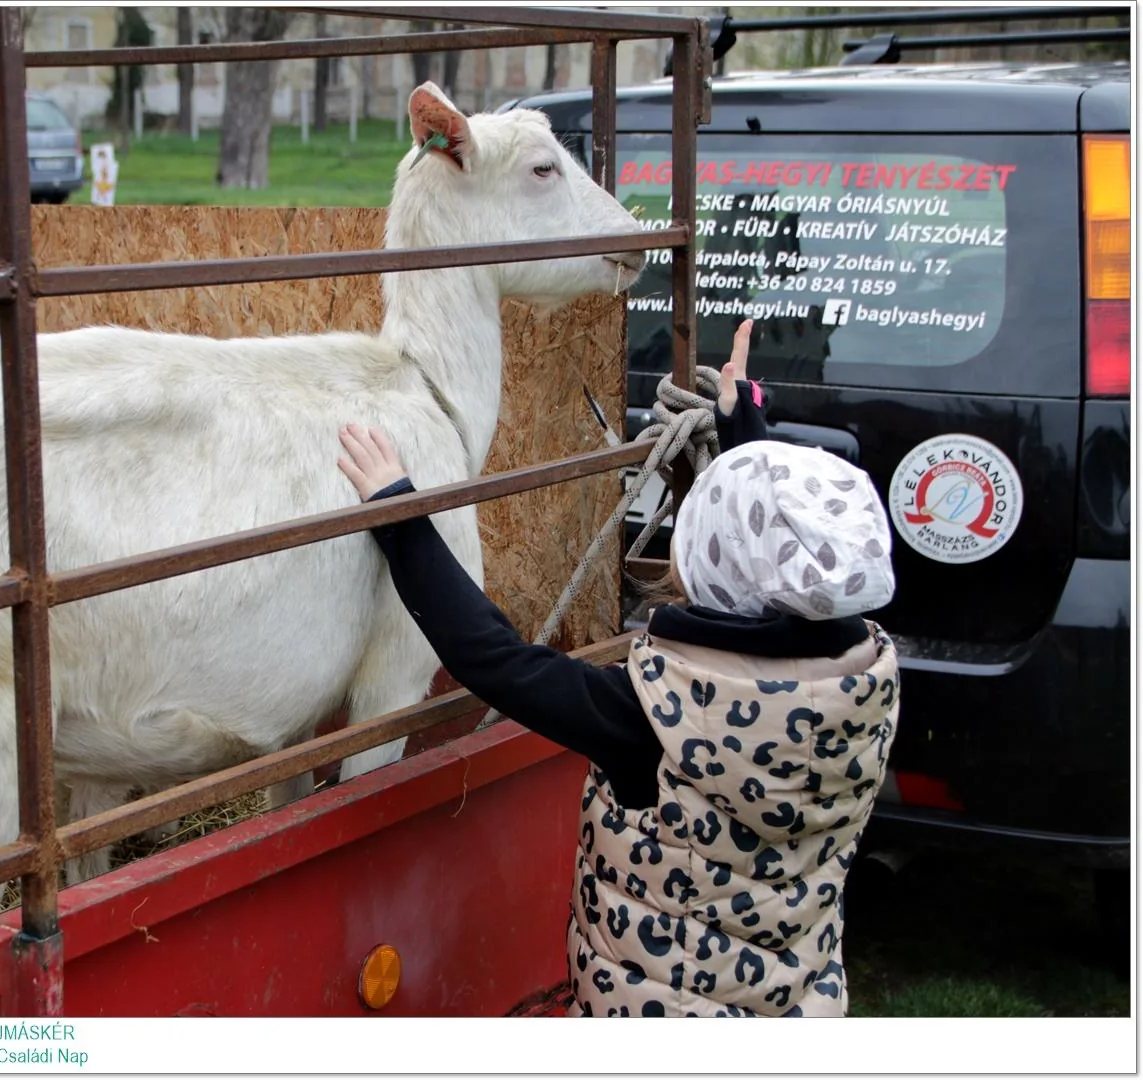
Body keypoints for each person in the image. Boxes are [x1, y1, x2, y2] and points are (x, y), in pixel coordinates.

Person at [337, 320, 900, 1017]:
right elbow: (787, 570)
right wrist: (742, 432)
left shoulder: (658, 716)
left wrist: (400, 515)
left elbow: (495, 660)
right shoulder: (864, 681)